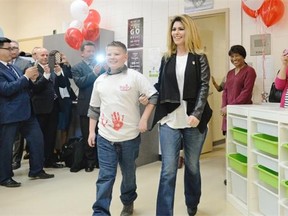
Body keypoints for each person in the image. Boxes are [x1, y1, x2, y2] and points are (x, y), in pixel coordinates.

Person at [146, 15, 212, 216]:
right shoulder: (167, 58)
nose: (176, 33)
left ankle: (192, 203)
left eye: (181, 29)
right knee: (168, 170)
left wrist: (197, 114)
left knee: (192, 166)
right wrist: (148, 94)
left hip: (193, 119)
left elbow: (204, 86)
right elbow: (160, 85)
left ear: (189, 31)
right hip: (169, 119)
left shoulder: (199, 57)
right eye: (174, 29)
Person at [87, 41, 158, 216]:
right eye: (109, 54)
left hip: (129, 137)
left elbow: (154, 96)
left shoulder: (134, 76)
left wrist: (144, 119)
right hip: (105, 137)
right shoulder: (100, 81)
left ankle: (128, 201)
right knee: (106, 176)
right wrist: (91, 132)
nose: (112, 57)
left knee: (128, 174)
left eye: (117, 54)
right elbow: (94, 109)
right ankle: (100, 211)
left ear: (125, 56)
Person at [0, 37, 54, 188]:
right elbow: (6, 89)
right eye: (8, 48)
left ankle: (36, 170)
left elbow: (27, 87)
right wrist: (26, 77)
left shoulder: (14, 67)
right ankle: (4, 177)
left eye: (13, 48)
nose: (12, 51)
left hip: (27, 112)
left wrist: (31, 80)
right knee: (6, 147)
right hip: (9, 114)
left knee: (37, 140)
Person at [71, 41, 104, 172]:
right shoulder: (76, 68)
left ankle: (100, 160)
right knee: (87, 135)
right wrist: (94, 73)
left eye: (93, 51)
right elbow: (80, 83)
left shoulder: (101, 66)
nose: (91, 54)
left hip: (102, 105)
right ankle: (90, 161)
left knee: (101, 134)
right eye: (88, 51)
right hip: (86, 105)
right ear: (82, 54)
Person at [30, 47, 64, 168]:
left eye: (46, 55)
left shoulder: (52, 67)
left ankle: (49, 160)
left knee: (51, 135)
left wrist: (59, 73)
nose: (45, 57)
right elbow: (35, 88)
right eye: (42, 55)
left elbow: (62, 85)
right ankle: (39, 164)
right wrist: (45, 76)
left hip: (53, 106)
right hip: (40, 108)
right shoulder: (33, 70)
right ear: (36, 56)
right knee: (40, 137)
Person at [221, 45, 257, 135]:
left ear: (243, 56)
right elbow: (225, 91)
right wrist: (223, 107)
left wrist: (230, 107)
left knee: (241, 136)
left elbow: (246, 92)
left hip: (242, 109)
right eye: (232, 56)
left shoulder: (250, 71)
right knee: (230, 139)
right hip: (228, 110)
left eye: (237, 55)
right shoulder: (230, 73)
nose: (234, 58)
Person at [10, 40, 33, 170]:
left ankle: (15, 160)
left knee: (18, 137)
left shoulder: (25, 63)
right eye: (11, 48)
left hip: (20, 104)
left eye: (15, 48)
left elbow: (29, 84)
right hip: (6, 105)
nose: (13, 51)